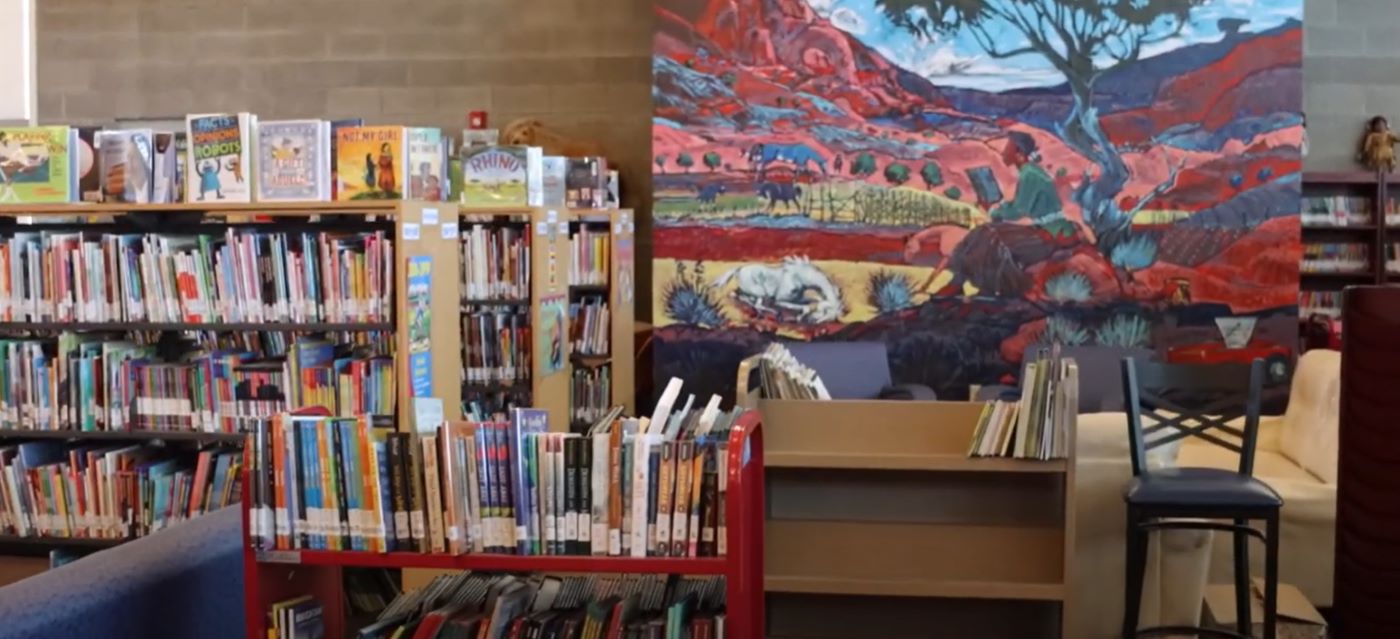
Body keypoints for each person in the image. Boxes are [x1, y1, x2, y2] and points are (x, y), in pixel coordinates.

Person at [989, 131, 1078, 247]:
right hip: (1051, 229)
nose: (1003, 151)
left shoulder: (1029, 174)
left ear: (1018, 152)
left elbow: (1019, 210)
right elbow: (1018, 204)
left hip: (1055, 232)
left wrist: (995, 212)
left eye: (1008, 147)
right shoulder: (1029, 171)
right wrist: (1002, 207)